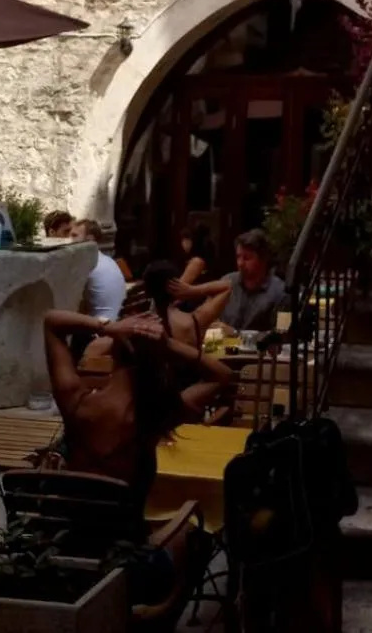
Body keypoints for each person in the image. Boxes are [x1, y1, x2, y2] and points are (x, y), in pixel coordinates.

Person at [40, 308, 188, 514]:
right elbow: (220, 376)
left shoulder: (76, 402)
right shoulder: (155, 414)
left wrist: (107, 327)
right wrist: (165, 345)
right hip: (125, 539)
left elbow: (52, 322)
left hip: (71, 531)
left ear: (113, 350)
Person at [140, 260, 235, 420]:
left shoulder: (141, 324)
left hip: (151, 404)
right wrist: (191, 290)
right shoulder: (193, 321)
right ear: (176, 286)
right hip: (188, 397)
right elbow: (227, 287)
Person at [168, 228, 286, 335]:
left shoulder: (280, 292)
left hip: (257, 356)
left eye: (247, 258)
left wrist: (237, 334)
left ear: (263, 259)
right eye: (238, 257)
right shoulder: (227, 280)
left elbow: (282, 334)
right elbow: (204, 316)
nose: (240, 263)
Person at [73, 218, 127, 321]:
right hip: (116, 320)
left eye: (74, 236)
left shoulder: (87, 265)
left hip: (103, 328)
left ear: (89, 240)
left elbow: (73, 303)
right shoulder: (106, 260)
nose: (69, 239)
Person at [176, 221, 215, 286]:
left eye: (188, 240)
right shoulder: (183, 257)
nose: (185, 244)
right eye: (183, 240)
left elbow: (180, 286)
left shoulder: (198, 260)